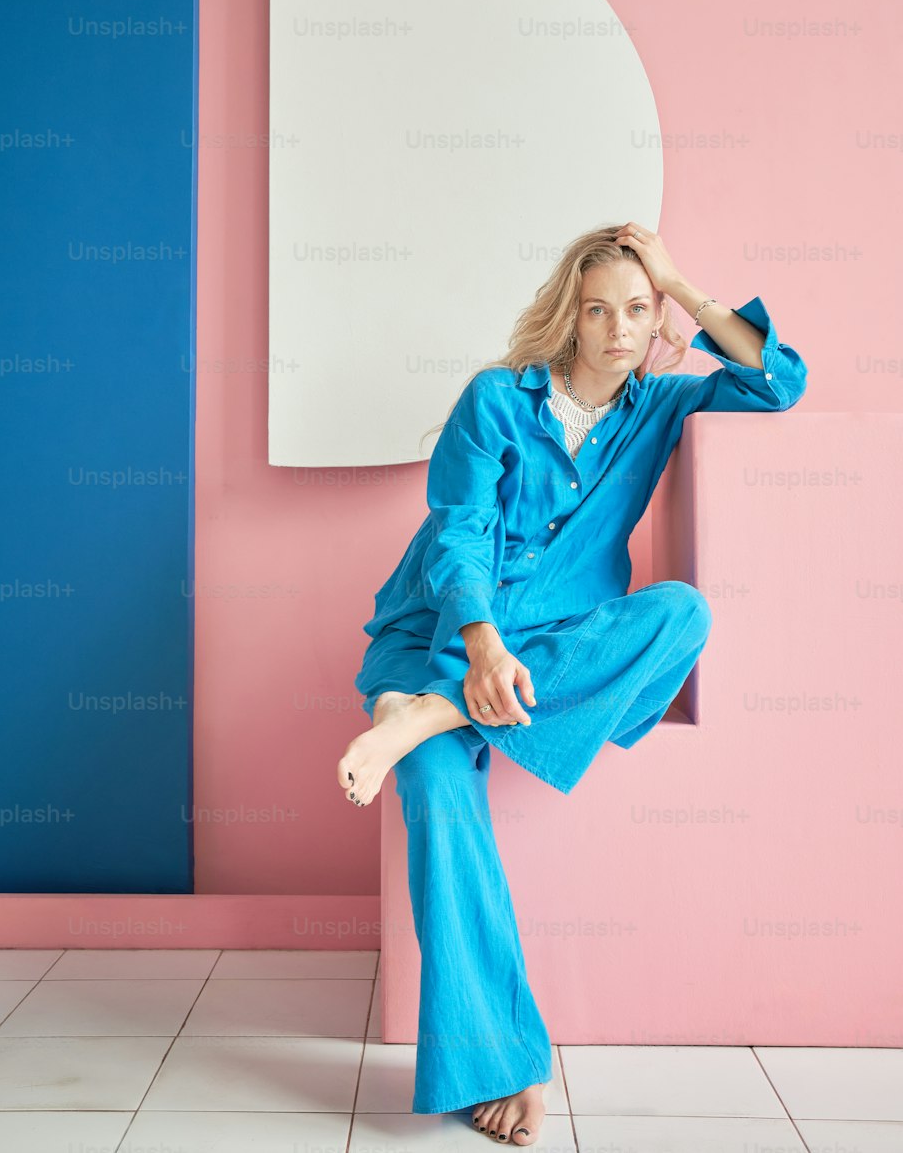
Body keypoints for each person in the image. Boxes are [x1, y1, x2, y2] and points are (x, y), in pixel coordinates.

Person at [336, 220, 809, 1145]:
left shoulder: (661, 408)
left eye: (639, 309)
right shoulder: (494, 400)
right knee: (435, 794)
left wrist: (680, 279)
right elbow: (459, 532)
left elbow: (778, 382)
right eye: (599, 310)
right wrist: (476, 646)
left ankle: (423, 718)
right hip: (442, 630)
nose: (620, 328)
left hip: (553, 650)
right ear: (570, 316)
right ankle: (503, 1058)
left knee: (682, 614)